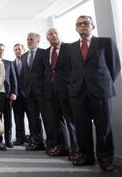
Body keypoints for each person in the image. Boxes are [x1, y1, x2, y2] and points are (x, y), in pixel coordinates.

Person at [68, 15, 120, 172]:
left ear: (93, 26)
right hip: (78, 92)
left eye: (86, 23)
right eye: (79, 24)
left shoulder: (105, 42)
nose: (83, 26)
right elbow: (71, 70)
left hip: (101, 91)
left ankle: (105, 159)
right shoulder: (70, 47)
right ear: (76, 28)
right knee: (82, 127)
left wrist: (102, 82)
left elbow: (115, 66)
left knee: (103, 127)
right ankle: (86, 156)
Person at [43, 28, 79, 159]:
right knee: (56, 122)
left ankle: (76, 150)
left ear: (59, 35)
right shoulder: (46, 52)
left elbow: (76, 68)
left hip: (67, 90)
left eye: (55, 33)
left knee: (71, 121)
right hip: (51, 93)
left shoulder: (69, 48)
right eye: (50, 35)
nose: (53, 36)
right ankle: (62, 147)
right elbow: (46, 72)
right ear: (47, 38)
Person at [21, 32, 47, 151]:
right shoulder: (24, 56)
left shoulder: (44, 53)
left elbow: (48, 73)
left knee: (48, 118)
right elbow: (24, 74)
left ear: (38, 40)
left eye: (31, 39)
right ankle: (37, 142)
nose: (29, 41)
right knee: (33, 118)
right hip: (29, 93)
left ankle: (51, 142)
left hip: (43, 92)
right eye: (27, 39)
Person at [0, 43, 17, 148]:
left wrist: (14, 92)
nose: (2, 51)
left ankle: (8, 140)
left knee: (8, 119)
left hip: (7, 96)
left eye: (3, 50)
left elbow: (13, 79)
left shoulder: (9, 63)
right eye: (0, 49)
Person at [12, 43, 28, 146]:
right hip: (16, 96)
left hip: (28, 95)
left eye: (19, 49)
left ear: (23, 50)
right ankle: (19, 138)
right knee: (18, 119)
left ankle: (35, 139)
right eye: (16, 49)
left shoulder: (28, 61)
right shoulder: (11, 64)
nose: (18, 51)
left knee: (33, 118)